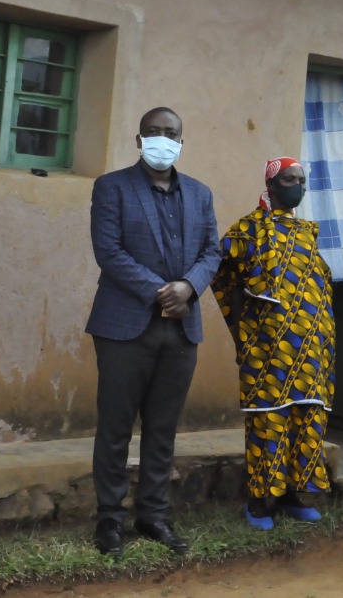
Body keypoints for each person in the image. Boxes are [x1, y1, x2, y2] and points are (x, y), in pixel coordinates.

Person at [86, 107, 220, 557]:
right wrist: (162, 292)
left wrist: (189, 288)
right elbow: (109, 251)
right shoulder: (112, 187)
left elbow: (211, 252)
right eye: (154, 132)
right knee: (116, 428)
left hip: (182, 330)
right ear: (138, 138)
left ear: (182, 142)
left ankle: (153, 517)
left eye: (171, 133)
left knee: (163, 429)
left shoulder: (200, 194)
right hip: (125, 327)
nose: (163, 139)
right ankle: (109, 521)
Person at [212, 157, 335, 530]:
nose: (297, 185)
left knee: (306, 417)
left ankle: (294, 495)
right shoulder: (247, 231)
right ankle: (259, 502)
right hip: (267, 347)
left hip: (312, 345)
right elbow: (222, 279)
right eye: (289, 178)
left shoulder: (306, 232)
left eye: (301, 179)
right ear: (271, 183)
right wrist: (243, 331)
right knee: (268, 420)